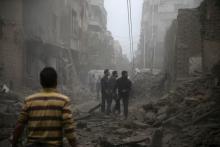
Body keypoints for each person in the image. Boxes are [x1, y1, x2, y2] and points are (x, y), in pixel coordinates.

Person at [11, 67, 78, 147]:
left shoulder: (29, 100)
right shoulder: (63, 100)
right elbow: (68, 128)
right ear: (56, 81)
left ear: (41, 82)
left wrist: (14, 143)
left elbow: (19, 125)